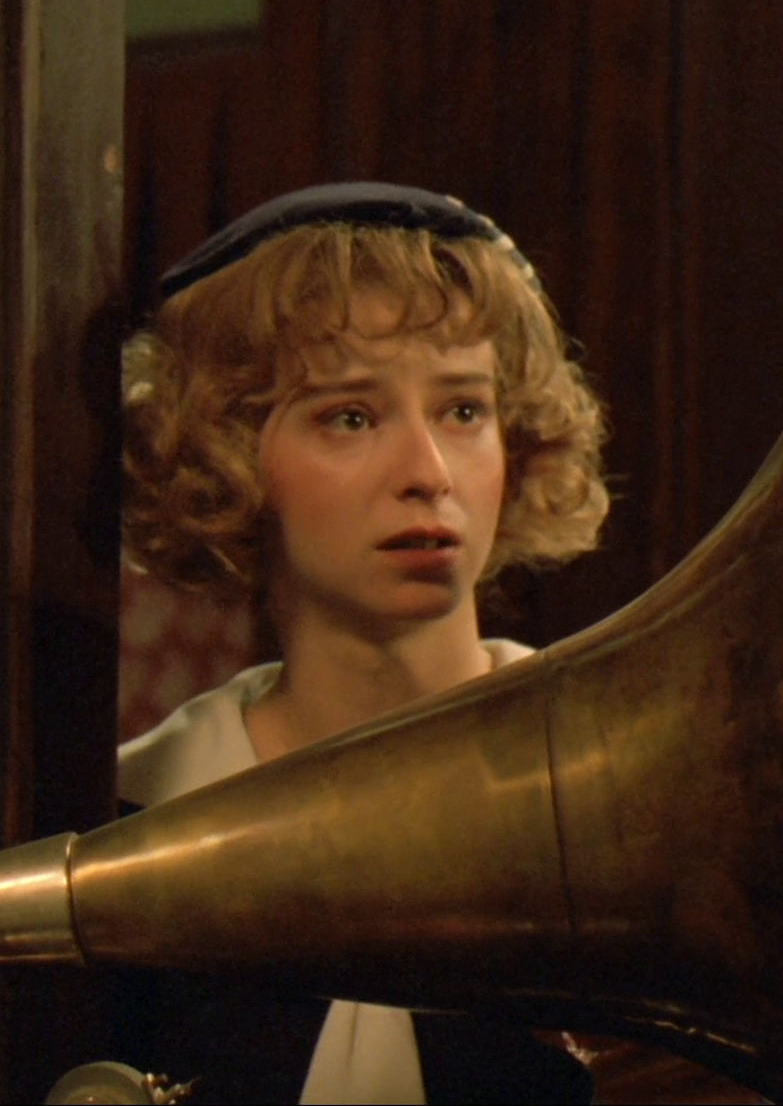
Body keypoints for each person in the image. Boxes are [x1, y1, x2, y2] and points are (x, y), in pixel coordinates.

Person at [111, 183, 609, 1103]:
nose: (428, 473)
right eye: (350, 417)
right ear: (225, 454)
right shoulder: (137, 821)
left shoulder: (611, 795)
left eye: (464, 412)